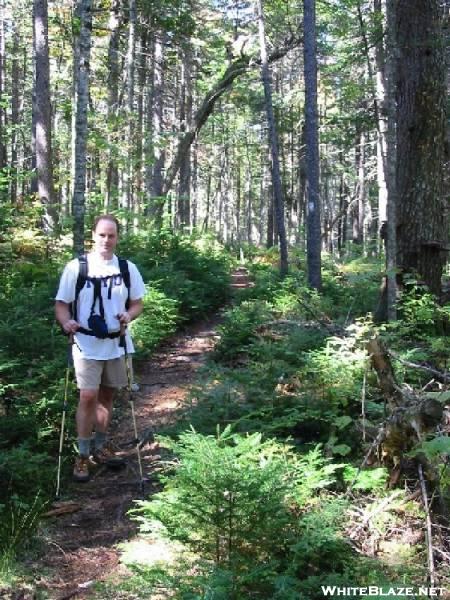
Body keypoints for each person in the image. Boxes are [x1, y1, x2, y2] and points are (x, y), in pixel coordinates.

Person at [55, 214, 146, 482]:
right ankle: (82, 455)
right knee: (87, 396)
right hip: (85, 344)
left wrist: (129, 316)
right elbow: (61, 304)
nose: (107, 240)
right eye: (102, 235)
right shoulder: (77, 267)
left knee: (107, 396)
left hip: (116, 343)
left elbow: (137, 303)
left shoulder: (127, 269)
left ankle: (101, 446)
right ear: (93, 236)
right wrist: (66, 322)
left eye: (112, 235)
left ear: (118, 237)